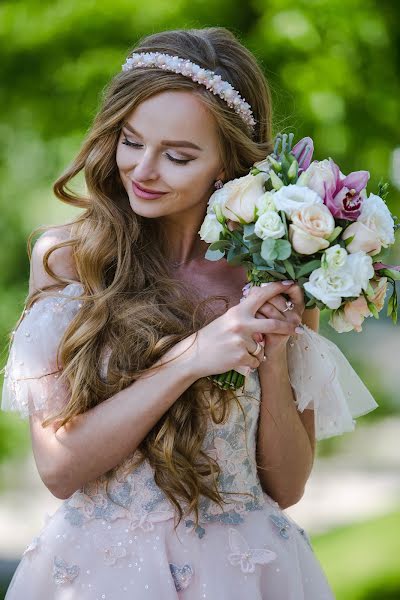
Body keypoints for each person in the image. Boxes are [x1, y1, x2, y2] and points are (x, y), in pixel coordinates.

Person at [1, 27, 378, 599]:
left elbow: (288, 485)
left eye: (178, 156)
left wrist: (274, 357)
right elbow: (59, 468)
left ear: (225, 165)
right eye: (131, 141)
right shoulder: (71, 260)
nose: (143, 170)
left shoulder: (272, 276)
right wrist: (192, 359)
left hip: (247, 572)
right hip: (105, 572)